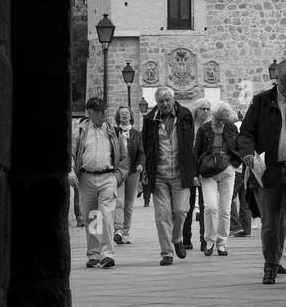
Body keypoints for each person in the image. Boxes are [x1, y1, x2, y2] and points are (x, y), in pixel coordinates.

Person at [237, 58, 286, 288]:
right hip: (268, 170)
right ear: (277, 80)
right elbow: (246, 133)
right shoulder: (261, 102)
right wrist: (248, 153)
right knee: (270, 224)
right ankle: (271, 264)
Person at [141, 86, 196, 266]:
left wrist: (193, 171)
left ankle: (177, 238)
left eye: (167, 100)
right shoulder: (150, 119)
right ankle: (167, 252)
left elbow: (190, 145)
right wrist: (146, 172)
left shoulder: (186, 115)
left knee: (181, 211)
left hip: (181, 173)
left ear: (173, 100)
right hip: (160, 174)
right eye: (160, 101)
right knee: (162, 215)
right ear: (156, 103)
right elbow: (146, 146)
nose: (164, 104)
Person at [72, 97, 129, 269]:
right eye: (99, 110)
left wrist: (117, 177)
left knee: (105, 214)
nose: (103, 113)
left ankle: (107, 254)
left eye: (104, 110)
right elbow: (71, 153)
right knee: (92, 217)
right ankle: (94, 254)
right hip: (86, 178)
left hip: (107, 177)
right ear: (89, 112)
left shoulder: (114, 131)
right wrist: (70, 172)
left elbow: (125, 158)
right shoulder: (80, 131)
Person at [194, 100, 242, 256]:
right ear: (213, 116)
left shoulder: (231, 128)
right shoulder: (204, 129)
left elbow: (238, 146)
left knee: (225, 209)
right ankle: (209, 240)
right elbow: (196, 151)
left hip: (227, 171)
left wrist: (234, 164)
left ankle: (222, 242)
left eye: (223, 119)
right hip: (208, 172)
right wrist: (195, 174)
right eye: (218, 119)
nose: (220, 122)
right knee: (210, 207)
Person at [182, 99, 211, 252]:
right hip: (189, 169)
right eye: (202, 108)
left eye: (207, 108)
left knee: (205, 206)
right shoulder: (189, 128)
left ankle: (204, 240)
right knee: (188, 206)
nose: (205, 111)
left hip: (205, 170)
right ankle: (186, 238)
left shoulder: (210, 127)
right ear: (196, 111)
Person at [113, 106, 144, 244]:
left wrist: (141, 164)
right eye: (122, 114)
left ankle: (125, 232)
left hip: (132, 172)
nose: (124, 115)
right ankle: (118, 230)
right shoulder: (113, 132)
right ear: (118, 117)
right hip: (118, 171)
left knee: (129, 204)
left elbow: (142, 153)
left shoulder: (137, 134)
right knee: (118, 201)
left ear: (131, 116)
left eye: (126, 113)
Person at [229, 100, 253, 238]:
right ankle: (246, 228)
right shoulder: (247, 128)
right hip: (247, 167)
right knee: (245, 199)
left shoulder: (233, 129)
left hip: (237, 168)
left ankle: (235, 226)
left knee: (229, 198)